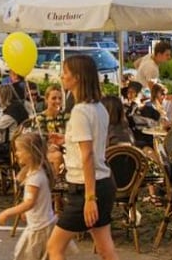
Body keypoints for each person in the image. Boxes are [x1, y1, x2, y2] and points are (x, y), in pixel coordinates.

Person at [46, 55, 117, 260]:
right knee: (105, 248)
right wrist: (66, 140)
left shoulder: (79, 111)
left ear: (77, 77)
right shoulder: (99, 108)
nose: (62, 76)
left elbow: (87, 155)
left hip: (86, 188)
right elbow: (91, 145)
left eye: (65, 73)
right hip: (102, 183)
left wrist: (89, 198)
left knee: (55, 247)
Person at [0, 131, 59, 260]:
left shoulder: (35, 177)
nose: (16, 153)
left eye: (19, 150)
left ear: (31, 153)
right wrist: (26, 212)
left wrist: (7, 212)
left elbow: (29, 202)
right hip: (44, 223)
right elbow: (35, 201)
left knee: (25, 255)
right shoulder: (37, 171)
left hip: (39, 228)